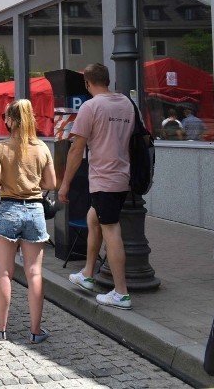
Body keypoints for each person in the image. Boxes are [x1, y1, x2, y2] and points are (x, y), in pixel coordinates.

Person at [59, 63, 134, 310]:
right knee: (94, 219)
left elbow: (77, 149)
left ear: (87, 84)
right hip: (122, 176)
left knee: (111, 231)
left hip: (104, 178)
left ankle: (121, 293)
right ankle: (88, 274)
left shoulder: (91, 106)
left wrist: (65, 184)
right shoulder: (126, 103)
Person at [0, 99, 56, 342]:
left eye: (6, 117)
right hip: (35, 210)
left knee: (4, 273)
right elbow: (51, 184)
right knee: (35, 273)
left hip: (8, 208)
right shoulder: (42, 147)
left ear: (11, 120)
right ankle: (36, 331)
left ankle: (1, 329)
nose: (4, 120)